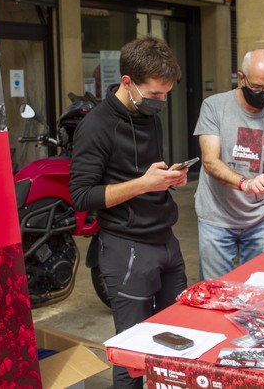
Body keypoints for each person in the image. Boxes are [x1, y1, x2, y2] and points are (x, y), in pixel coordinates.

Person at [69, 36, 189, 389]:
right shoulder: (95, 126)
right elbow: (81, 196)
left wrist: (167, 179)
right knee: (131, 356)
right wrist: (145, 184)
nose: (161, 102)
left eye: (167, 94)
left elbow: (143, 171)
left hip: (166, 240)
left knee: (177, 341)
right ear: (127, 82)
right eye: (155, 94)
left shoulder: (149, 114)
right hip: (126, 249)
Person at [193, 49, 264, 280]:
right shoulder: (214, 107)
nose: (263, 94)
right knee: (216, 291)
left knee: (258, 288)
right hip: (217, 217)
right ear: (241, 78)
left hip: (259, 218)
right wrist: (245, 184)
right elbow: (210, 161)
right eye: (257, 88)